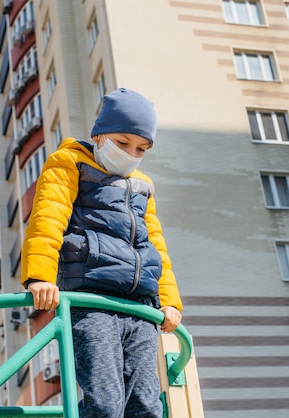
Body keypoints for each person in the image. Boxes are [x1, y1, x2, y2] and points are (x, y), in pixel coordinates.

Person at [21, 87, 183, 417]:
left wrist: (169, 301)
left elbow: (156, 247)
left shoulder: (142, 186)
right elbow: (47, 217)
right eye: (122, 143)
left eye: (141, 148)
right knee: (106, 401)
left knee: (146, 405)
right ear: (99, 135)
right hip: (91, 298)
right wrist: (40, 275)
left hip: (140, 305)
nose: (131, 153)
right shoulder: (70, 163)